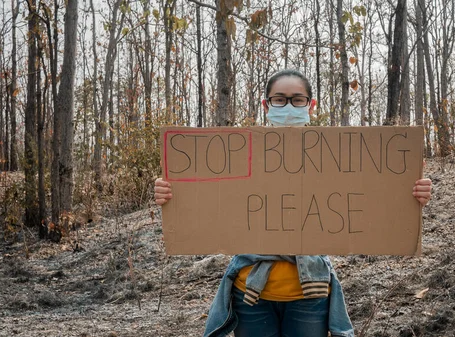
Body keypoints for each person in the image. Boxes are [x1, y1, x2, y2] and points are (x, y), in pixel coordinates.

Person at [154, 69, 433, 337]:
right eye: (280, 99)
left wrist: (410, 193)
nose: (288, 105)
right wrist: (172, 195)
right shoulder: (242, 153)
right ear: (266, 104)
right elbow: (208, 198)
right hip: (250, 294)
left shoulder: (333, 153)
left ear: (310, 105)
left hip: (309, 295)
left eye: (297, 99)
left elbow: (369, 199)